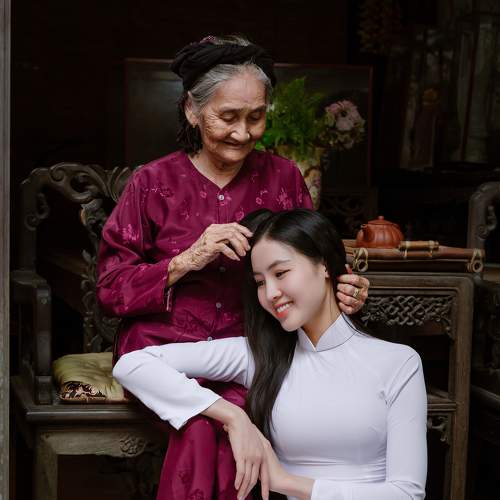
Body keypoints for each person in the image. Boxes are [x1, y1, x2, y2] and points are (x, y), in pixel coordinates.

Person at [96, 34, 370, 499]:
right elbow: (110, 289)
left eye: (256, 117)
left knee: (223, 431)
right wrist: (187, 259)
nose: (243, 133)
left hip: (254, 349)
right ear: (192, 110)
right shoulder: (152, 182)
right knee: (208, 429)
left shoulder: (284, 178)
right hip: (161, 354)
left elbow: (316, 265)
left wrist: (344, 292)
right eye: (228, 117)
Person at [112, 209, 428, 500]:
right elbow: (133, 364)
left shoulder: (398, 362)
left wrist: (286, 482)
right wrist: (233, 416)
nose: (271, 293)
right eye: (260, 282)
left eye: (281, 273)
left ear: (324, 266)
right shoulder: (260, 355)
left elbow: (407, 494)